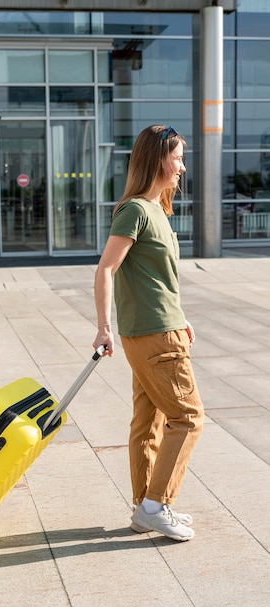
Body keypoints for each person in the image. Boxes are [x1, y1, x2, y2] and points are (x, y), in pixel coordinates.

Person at [93, 124, 205, 542]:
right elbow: (106, 269)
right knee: (189, 417)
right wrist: (103, 327)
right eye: (177, 157)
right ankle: (156, 504)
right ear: (158, 159)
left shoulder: (158, 208)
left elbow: (156, 278)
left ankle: (148, 506)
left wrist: (181, 314)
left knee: (150, 420)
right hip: (155, 336)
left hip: (161, 327)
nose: (182, 165)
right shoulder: (136, 210)